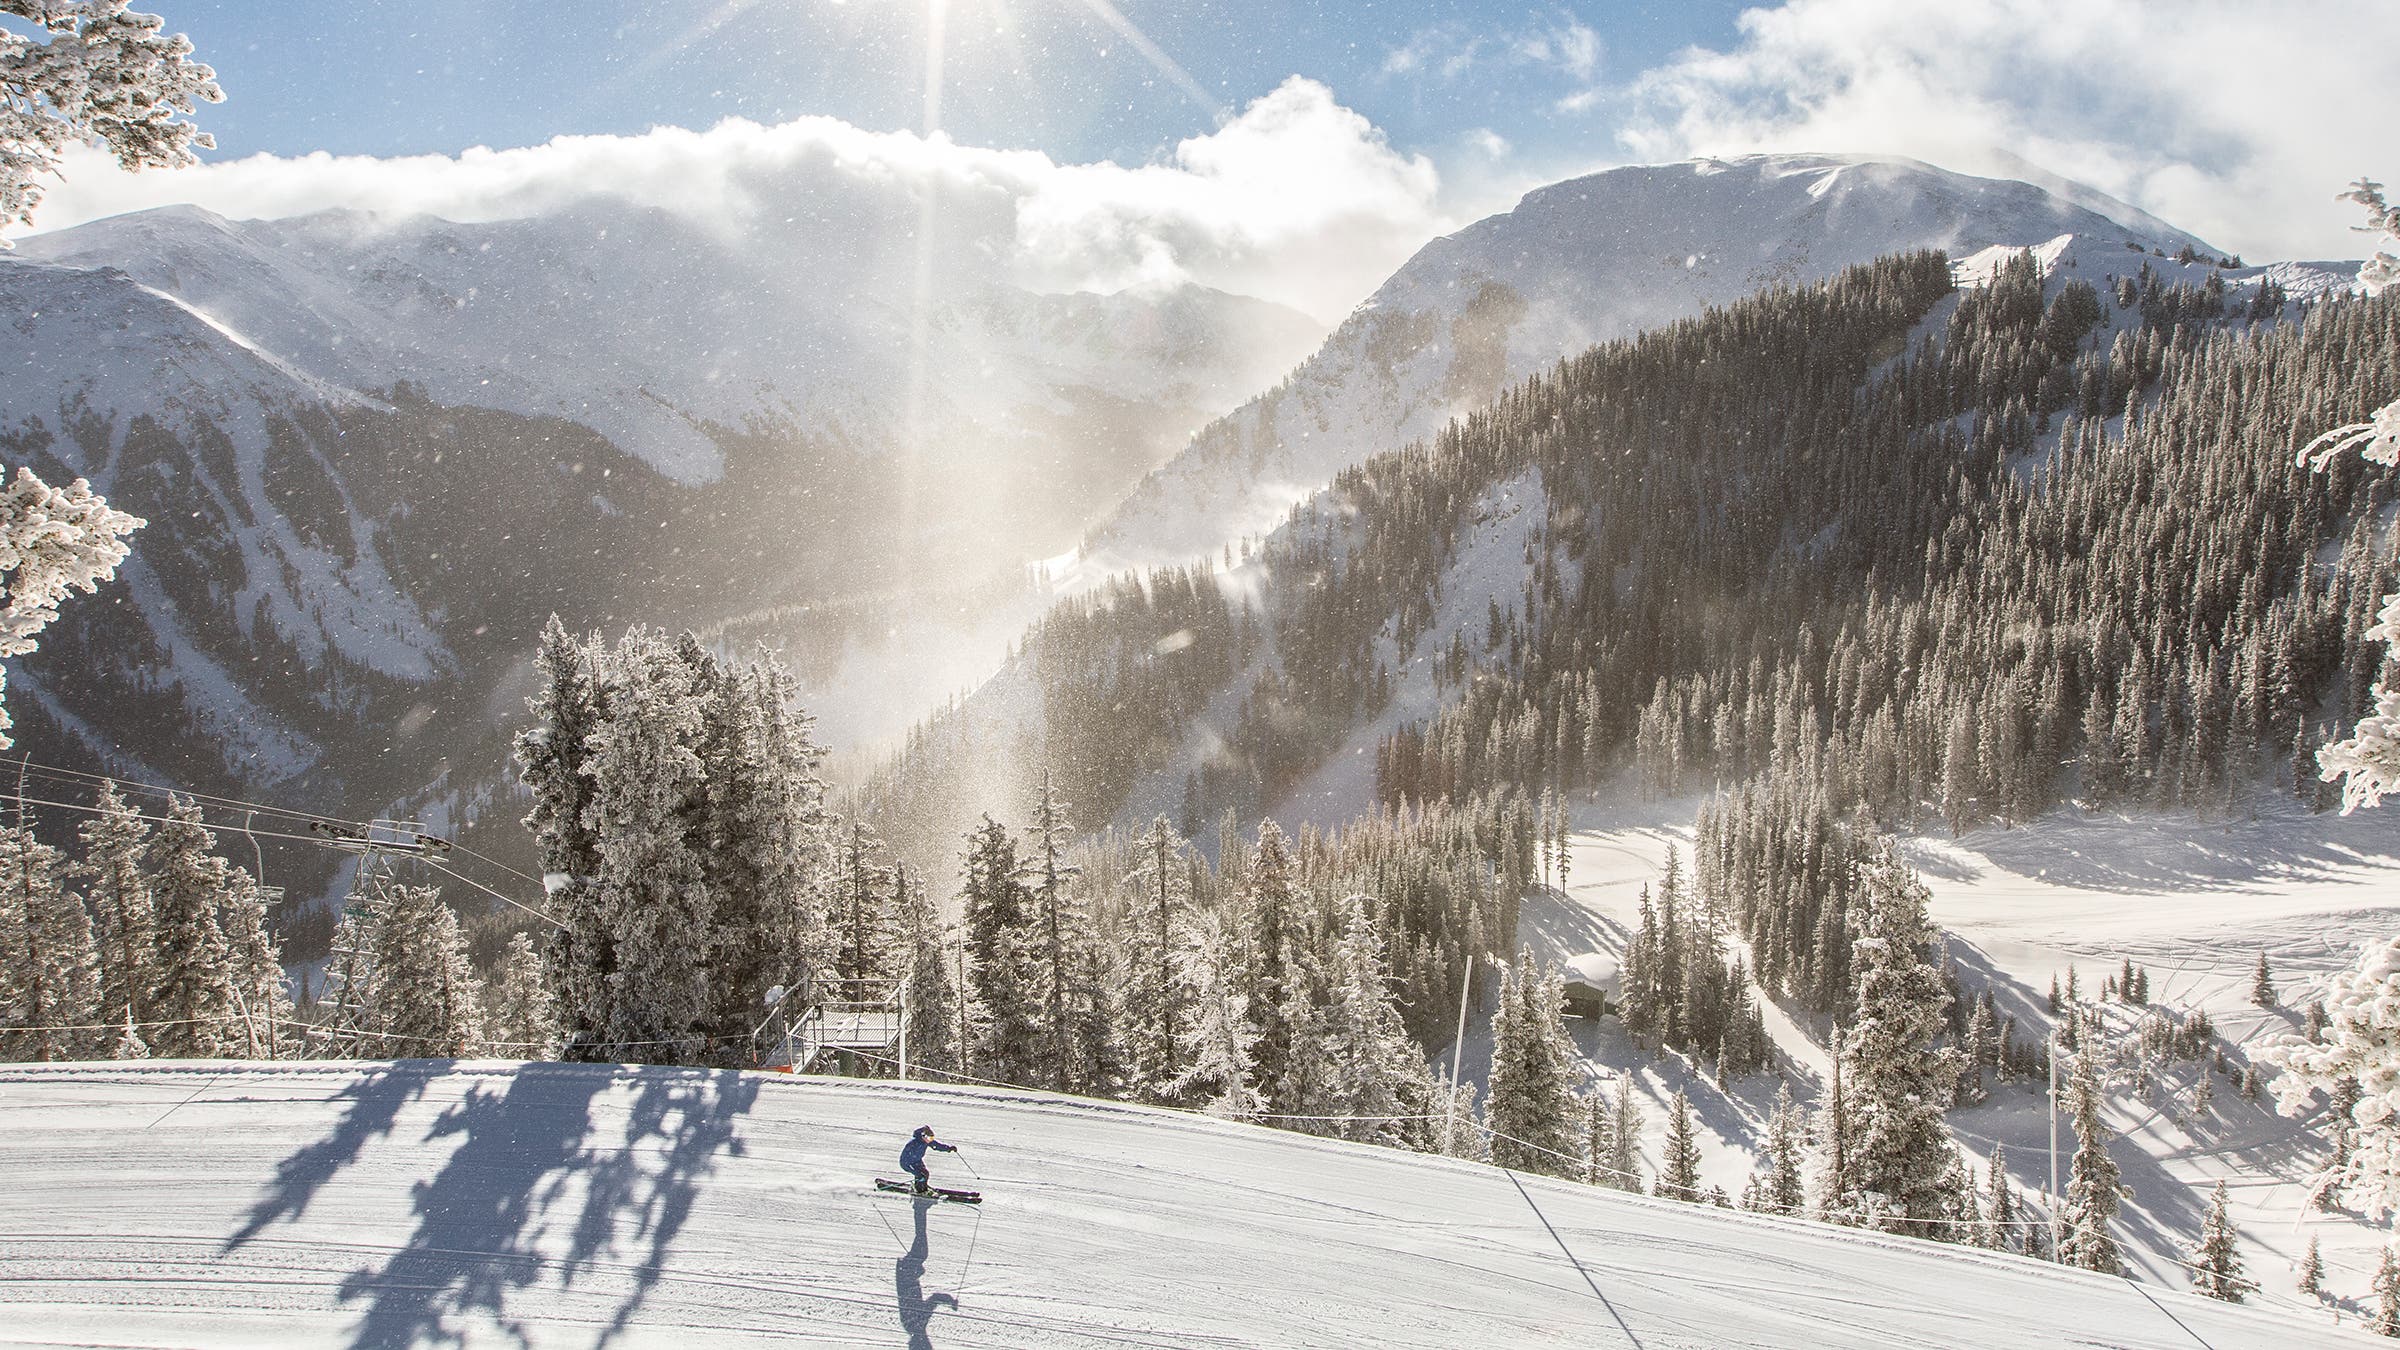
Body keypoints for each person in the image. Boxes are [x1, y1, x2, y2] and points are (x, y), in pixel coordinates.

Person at [899, 1124, 956, 1193]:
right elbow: (905, 1159)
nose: (930, 1140)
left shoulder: (926, 1141)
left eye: (932, 1138)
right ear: (924, 1136)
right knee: (921, 1175)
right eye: (929, 1138)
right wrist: (915, 1172)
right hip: (907, 1163)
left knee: (925, 1173)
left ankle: (922, 1187)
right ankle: (919, 1190)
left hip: (917, 1161)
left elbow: (937, 1146)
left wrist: (949, 1148)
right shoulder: (913, 1143)